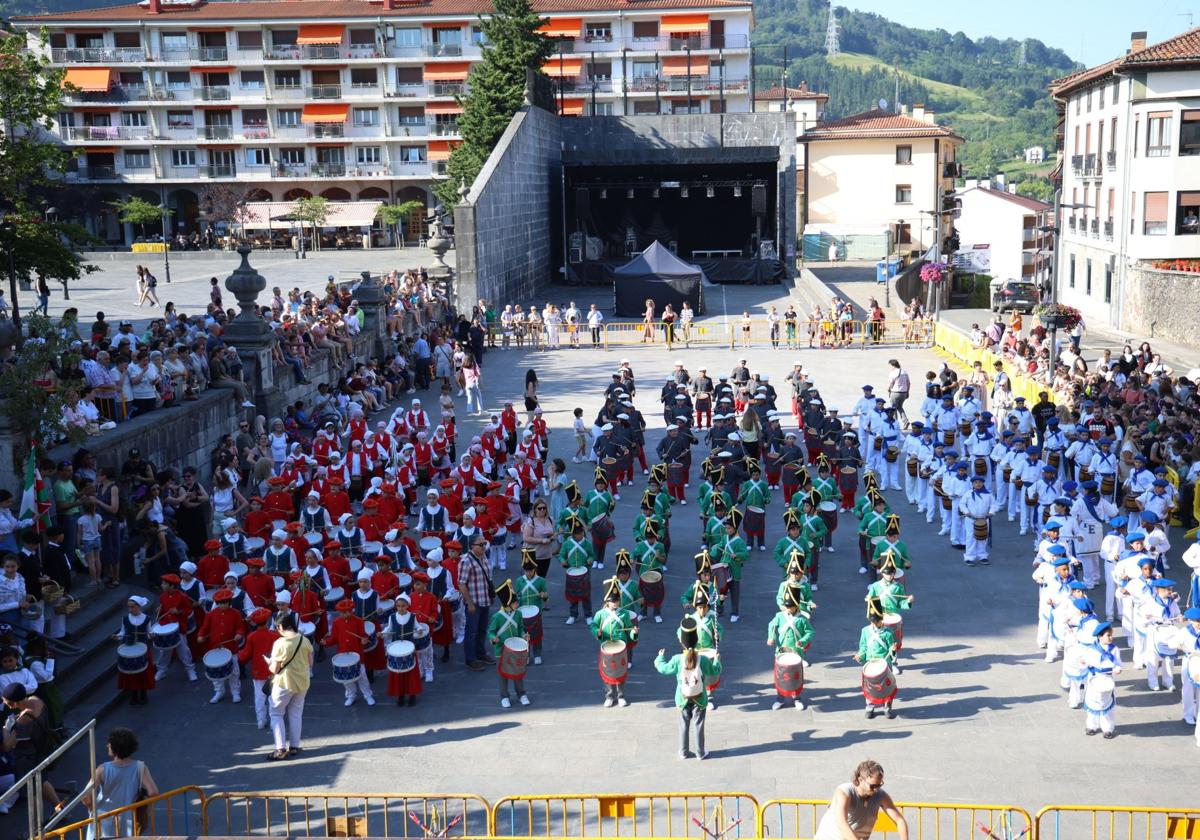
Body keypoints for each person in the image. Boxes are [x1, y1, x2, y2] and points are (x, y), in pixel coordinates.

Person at [654, 619, 720, 760]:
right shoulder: (702, 659)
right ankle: (700, 752)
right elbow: (714, 671)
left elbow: (663, 668)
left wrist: (659, 658)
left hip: (682, 698)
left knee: (683, 725)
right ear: (696, 641)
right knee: (698, 725)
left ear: (681, 642)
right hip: (700, 698)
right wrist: (717, 660)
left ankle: (683, 752)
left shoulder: (677, 659)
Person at [81, 728, 158, 840]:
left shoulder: (102, 770)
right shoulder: (140, 767)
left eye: (110, 744)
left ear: (115, 748)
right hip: (127, 819)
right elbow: (153, 792)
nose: (107, 745)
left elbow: (85, 797)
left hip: (103, 820)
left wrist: (93, 809)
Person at [813, 760, 909, 840]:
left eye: (880, 785)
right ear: (860, 780)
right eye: (873, 786)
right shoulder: (844, 792)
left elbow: (899, 820)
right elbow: (842, 822)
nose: (876, 789)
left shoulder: (881, 795)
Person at [266, 612, 314, 761]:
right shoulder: (304, 640)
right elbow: (310, 662)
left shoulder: (280, 643)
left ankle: (280, 749)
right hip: (302, 682)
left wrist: (269, 663)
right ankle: (294, 746)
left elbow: (274, 669)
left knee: (276, 714)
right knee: (296, 714)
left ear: (280, 626)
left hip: (284, 683)